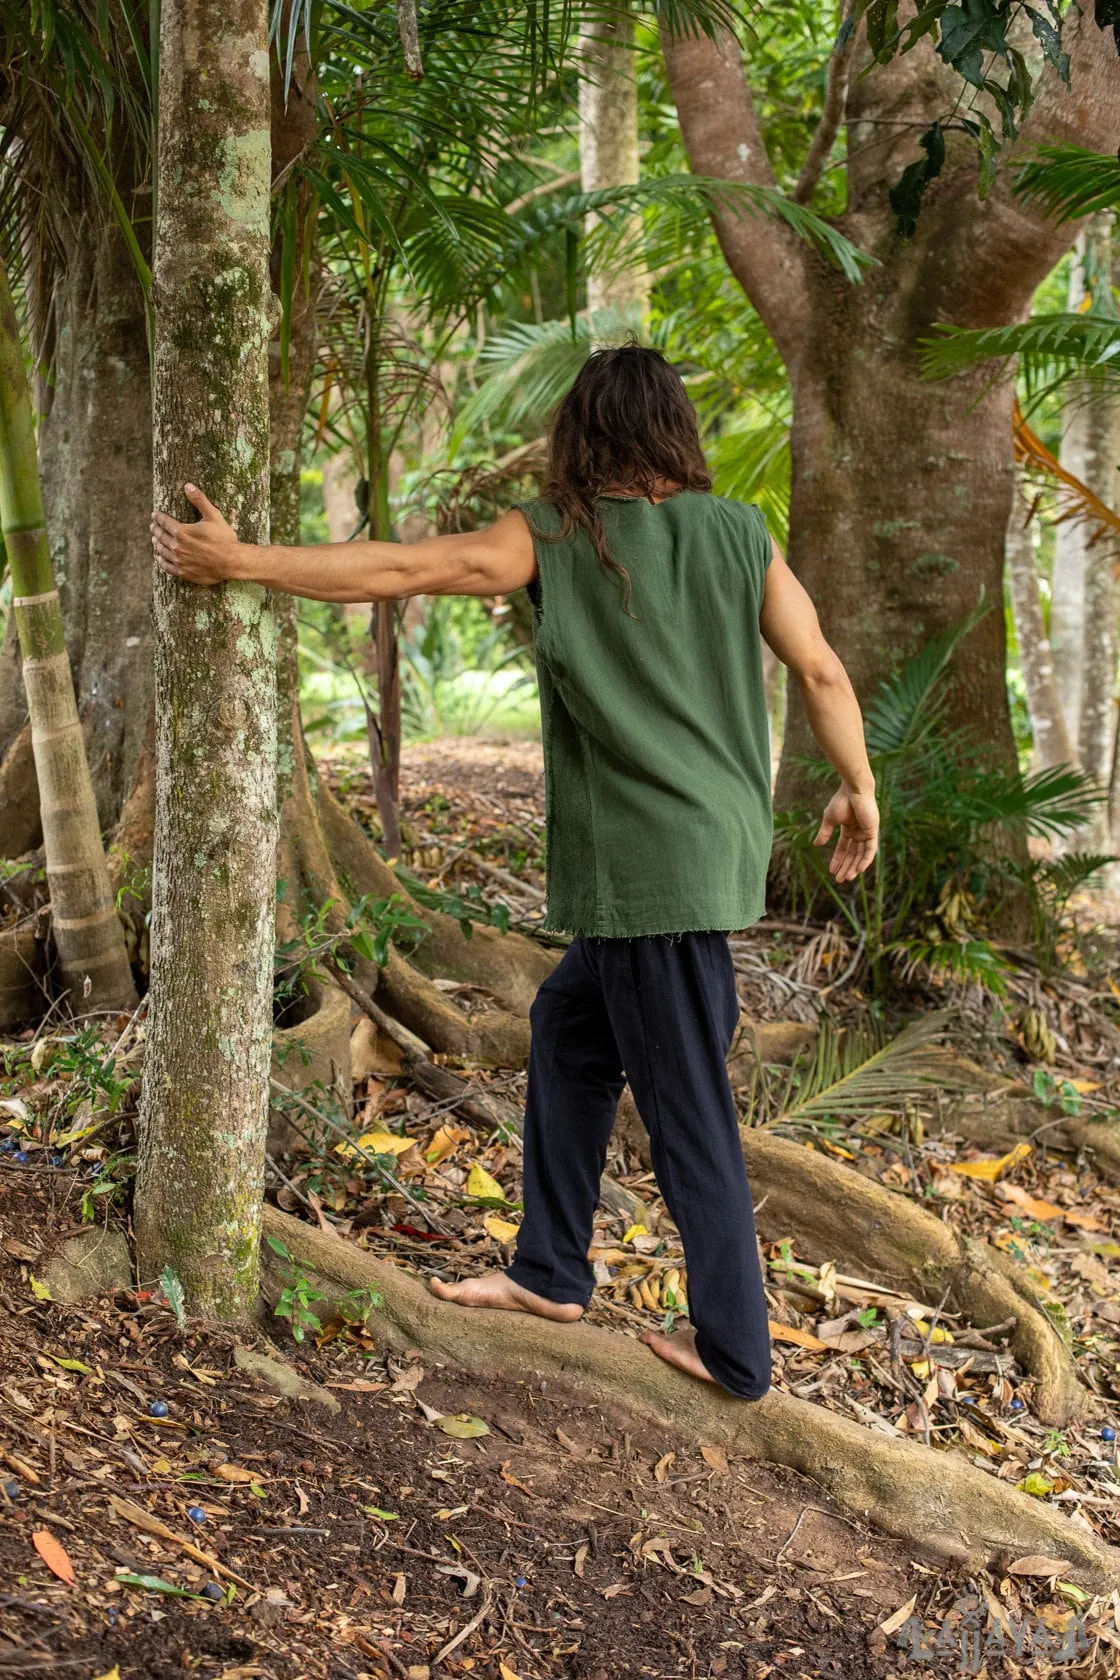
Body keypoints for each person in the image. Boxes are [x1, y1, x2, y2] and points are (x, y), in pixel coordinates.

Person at [151, 343, 879, 1399]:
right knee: (570, 1034)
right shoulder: (737, 535)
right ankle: (550, 1270)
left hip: (651, 874)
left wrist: (243, 561)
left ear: (581, 436)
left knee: (687, 1111)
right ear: (675, 432)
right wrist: (856, 784)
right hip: (708, 849)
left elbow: (403, 570)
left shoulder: (557, 534)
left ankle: (736, 1352)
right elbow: (818, 665)